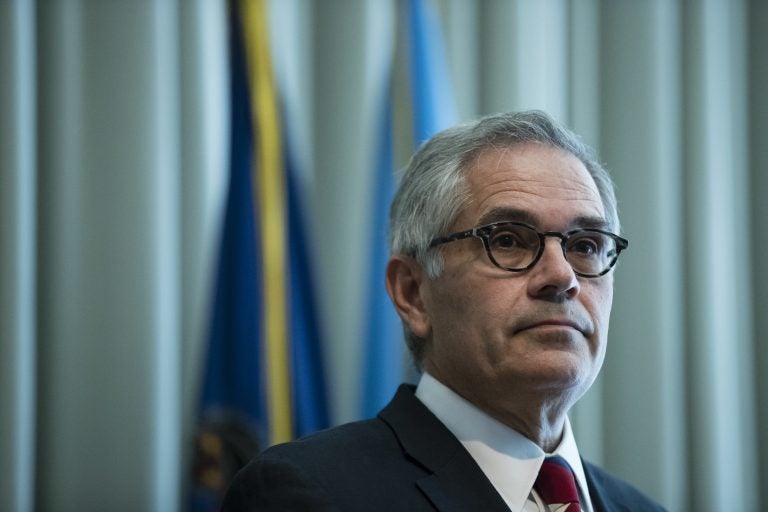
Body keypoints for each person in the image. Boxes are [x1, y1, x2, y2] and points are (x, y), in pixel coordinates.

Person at [221, 111, 666, 511]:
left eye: (586, 245)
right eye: (507, 240)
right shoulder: (307, 494)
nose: (562, 276)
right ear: (413, 293)